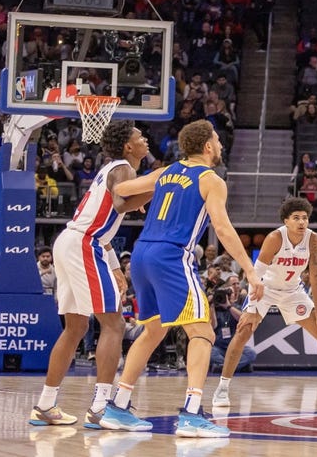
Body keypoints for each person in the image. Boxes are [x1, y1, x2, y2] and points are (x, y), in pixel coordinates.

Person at [109, 120, 264, 438]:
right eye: (218, 141)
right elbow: (221, 228)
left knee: (151, 332)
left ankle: (117, 406)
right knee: (203, 331)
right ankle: (193, 414)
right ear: (207, 146)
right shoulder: (211, 178)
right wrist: (249, 269)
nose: (220, 146)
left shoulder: (167, 171)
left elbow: (121, 190)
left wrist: (150, 199)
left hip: (141, 255)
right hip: (171, 257)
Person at [29, 121, 163, 429]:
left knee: (75, 328)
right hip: (84, 245)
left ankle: (46, 405)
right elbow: (121, 203)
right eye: (139, 137)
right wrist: (154, 186)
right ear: (128, 146)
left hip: (74, 242)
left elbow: (112, 210)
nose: (144, 140)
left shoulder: (112, 168)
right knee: (113, 323)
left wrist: (114, 265)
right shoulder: (124, 169)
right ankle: (103, 406)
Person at [212, 197, 317, 409]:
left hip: (292, 291)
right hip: (264, 288)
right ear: (286, 221)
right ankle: (222, 389)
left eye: (305, 218)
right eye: (296, 218)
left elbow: (315, 277)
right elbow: (256, 273)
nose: (302, 222)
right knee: (244, 331)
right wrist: (249, 309)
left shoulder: (314, 240)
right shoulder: (275, 237)